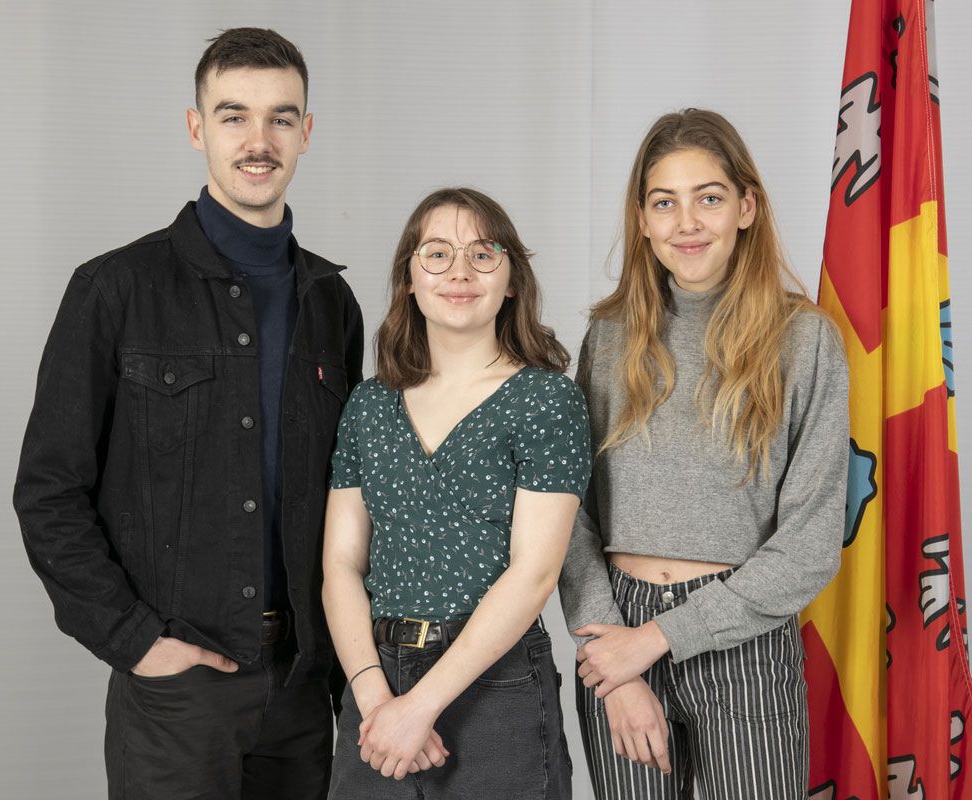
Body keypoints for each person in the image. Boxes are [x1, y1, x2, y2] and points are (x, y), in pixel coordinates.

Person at [12, 28, 363, 799]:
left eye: (280, 118)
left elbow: (351, 496)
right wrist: (136, 642)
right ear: (196, 127)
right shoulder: (115, 290)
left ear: (307, 132)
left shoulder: (331, 303)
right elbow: (48, 490)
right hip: (178, 688)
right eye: (234, 115)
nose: (258, 140)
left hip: (304, 684)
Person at [559, 108, 850, 799]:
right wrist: (613, 653)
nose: (687, 223)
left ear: (746, 206)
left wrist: (657, 639)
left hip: (741, 638)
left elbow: (809, 546)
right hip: (615, 624)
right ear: (642, 219)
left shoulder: (804, 342)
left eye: (709, 198)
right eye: (666, 202)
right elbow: (567, 513)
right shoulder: (608, 339)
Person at [322, 188, 588, 798]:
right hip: (377, 676)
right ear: (409, 280)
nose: (460, 273)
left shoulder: (548, 401)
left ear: (513, 279)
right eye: (437, 254)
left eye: (483, 253)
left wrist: (422, 707)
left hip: (494, 683)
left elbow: (535, 572)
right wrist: (376, 701)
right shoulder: (369, 404)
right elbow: (340, 563)